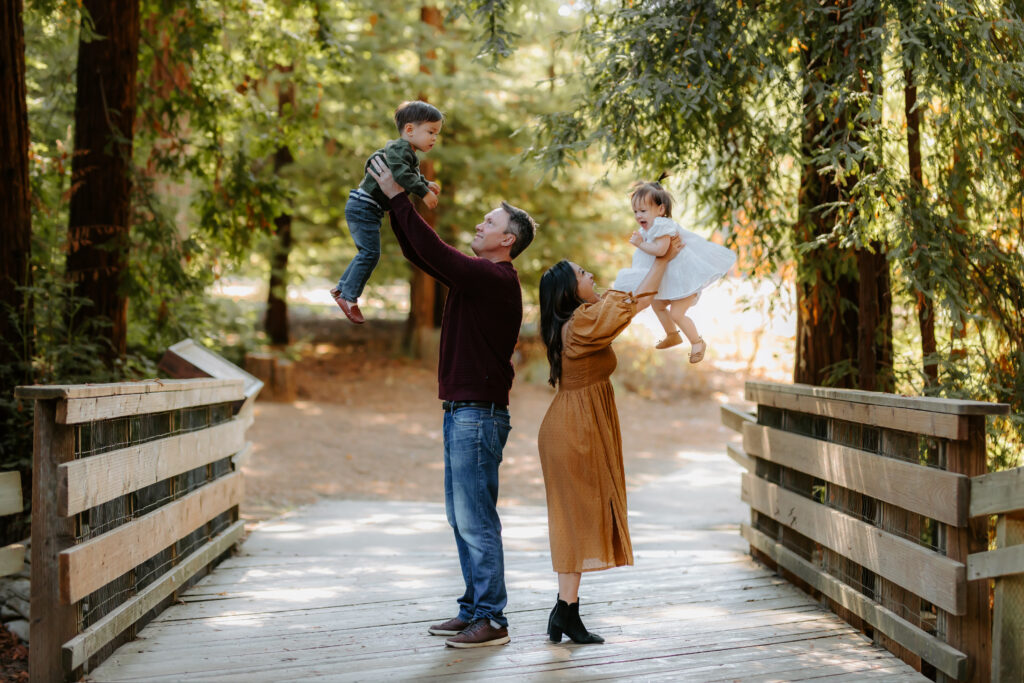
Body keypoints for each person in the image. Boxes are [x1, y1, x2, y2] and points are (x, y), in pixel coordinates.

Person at [365, 155, 537, 649]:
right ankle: (473, 610)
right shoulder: (478, 277)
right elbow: (423, 256)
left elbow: (435, 253)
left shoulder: (495, 278)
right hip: (463, 412)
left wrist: (399, 197)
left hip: (478, 416)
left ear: (508, 240)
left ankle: (493, 619)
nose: (481, 224)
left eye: (491, 222)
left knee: (476, 519)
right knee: (461, 517)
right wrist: (391, 205)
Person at [536, 236, 683, 645]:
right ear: (570, 290)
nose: (591, 276)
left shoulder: (581, 319)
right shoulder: (581, 323)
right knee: (575, 518)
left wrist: (659, 262)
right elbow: (634, 302)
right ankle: (565, 613)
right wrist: (661, 260)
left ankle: (565, 612)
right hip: (574, 428)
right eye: (583, 274)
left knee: (575, 519)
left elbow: (631, 302)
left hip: (576, 422)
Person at [331, 101, 444, 324]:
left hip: (366, 208)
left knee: (367, 252)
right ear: (410, 129)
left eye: (437, 134)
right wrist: (424, 193)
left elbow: (410, 173)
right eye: (430, 132)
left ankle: (342, 288)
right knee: (370, 254)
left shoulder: (406, 153)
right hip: (364, 206)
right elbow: (402, 175)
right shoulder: (399, 148)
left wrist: (426, 182)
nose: (434, 138)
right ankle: (349, 297)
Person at [612, 181, 736, 362]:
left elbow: (661, 251)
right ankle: (672, 334)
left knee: (677, 314)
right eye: (635, 212)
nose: (638, 216)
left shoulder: (663, 226)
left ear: (660, 210)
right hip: (672, 281)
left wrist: (641, 244)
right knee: (657, 304)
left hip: (685, 280)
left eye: (643, 211)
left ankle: (697, 342)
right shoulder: (649, 228)